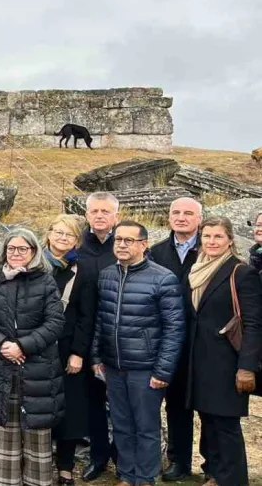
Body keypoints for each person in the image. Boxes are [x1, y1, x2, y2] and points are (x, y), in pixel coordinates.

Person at [91, 220, 184, 486]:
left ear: (143, 244)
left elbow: (174, 329)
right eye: (118, 239)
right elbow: (102, 319)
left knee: (146, 427)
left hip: (146, 368)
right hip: (113, 365)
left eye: (128, 240)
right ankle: (127, 475)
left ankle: (144, 477)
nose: (121, 244)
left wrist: (162, 371)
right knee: (121, 424)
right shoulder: (107, 274)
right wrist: (96, 357)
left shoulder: (163, 278)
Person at [0, 228, 65, 486]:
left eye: (22, 249)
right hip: (1, 367)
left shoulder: (45, 281)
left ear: (34, 252)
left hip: (37, 369)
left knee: (37, 433)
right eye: (11, 248)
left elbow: (55, 321)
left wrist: (22, 346)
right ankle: (6, 482)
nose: (16, 253)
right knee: (7, 434)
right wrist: (1, 343)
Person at [182, 216, 262, 486]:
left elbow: (253, 324)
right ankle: (216, 475)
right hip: (200, 363)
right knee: (209, 423)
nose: (212, 241)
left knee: (226, 426)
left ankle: (233, 480)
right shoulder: (197, 269)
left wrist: (246, 367)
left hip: (228, 365)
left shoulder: (241, 272)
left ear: (230, 239)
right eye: (207, 236)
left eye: (218, 236)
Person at [148, 197, 203, 481]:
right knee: (163, 404)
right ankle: (166, 460)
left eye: (188, 213)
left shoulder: (209, 250)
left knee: (195, 406)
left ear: (199, 219)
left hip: (200, 342)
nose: (181, 218)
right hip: (163, 341)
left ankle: (197, 463)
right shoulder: (156, 252)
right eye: (176, 213)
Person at [41, 215, 97, 486]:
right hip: (35, 347)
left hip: (66, 348)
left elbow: (87, 316)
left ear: (77, 241)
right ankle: (36, 465)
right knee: (38, 407)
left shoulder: (83, 270)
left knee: (68, 410)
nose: (62, 238)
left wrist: (78, 353)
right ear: (49, 233)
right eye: (58, 232)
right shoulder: (32, 263)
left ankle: (65, 468)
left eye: (69, 235)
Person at [75, 192, 120, 482]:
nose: (100, 216)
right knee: (93, 403)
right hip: (83, 336)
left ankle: (123, 456)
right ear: (87, 214)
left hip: (118, 337)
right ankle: (98, 456)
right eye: (95, 211)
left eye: (106, 211)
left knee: (122, 405)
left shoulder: (126, 243)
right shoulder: (77, 246)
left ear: (116, 215)